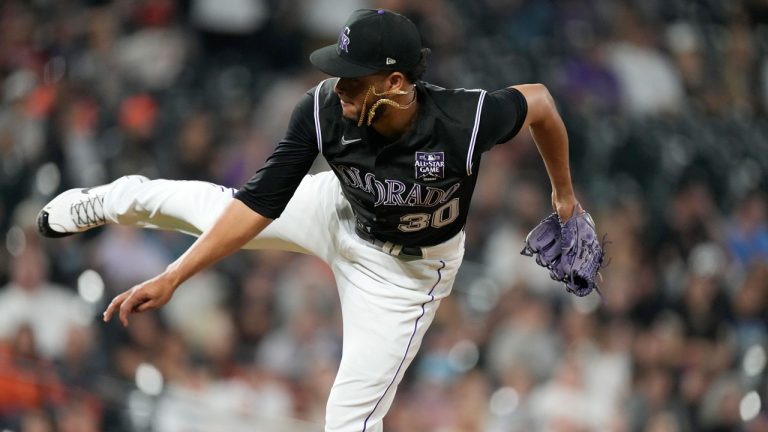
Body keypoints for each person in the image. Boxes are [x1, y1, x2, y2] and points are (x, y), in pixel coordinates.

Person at [37, 9, 579, 432]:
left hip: (403, 279)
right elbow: (256, 204)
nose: (337, 86)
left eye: (352, 80)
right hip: (337, 210)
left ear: (394, 82)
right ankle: (109, 200)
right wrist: (175, 275)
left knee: (347, 418)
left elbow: (544, 104)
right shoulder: (321, 109)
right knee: (203, 207)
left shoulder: (465, 119)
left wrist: (564, 196)